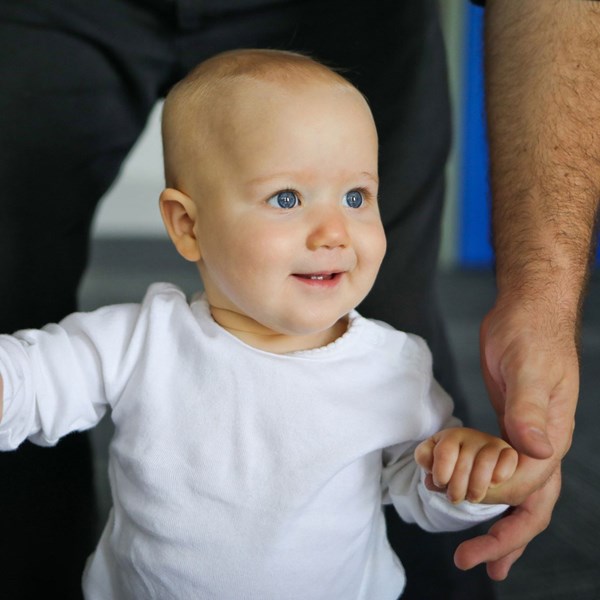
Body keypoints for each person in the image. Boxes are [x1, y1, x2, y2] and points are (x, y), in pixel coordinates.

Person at [0, 0, 588, 598]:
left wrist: (464, 476)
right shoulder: (133, 343)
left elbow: (418, 495)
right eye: (287, 199)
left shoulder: (392, 365)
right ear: (187, 226)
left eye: (357, 198)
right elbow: (26, 383)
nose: (334, 231)